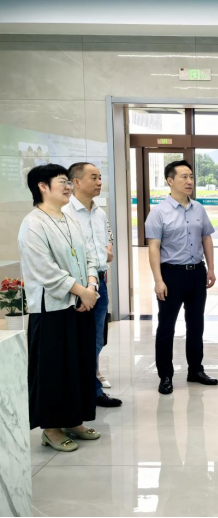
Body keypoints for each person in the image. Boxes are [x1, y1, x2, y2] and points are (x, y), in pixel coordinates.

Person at [18, 163, 103, 452]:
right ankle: (51, 429)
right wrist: (82, 291)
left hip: (81, 303)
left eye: (68, 181)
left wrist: (91, 285)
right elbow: (45, 270)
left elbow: (89, 255)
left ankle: (73, 420)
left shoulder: (69, 219)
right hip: (52, 309)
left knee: (79, 365)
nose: (68, 186)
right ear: (43, 187)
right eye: (62, 181)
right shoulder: (33, 223)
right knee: (53, 370)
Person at [145, 160, 218, 395]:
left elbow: (206, 238)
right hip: (171, 274)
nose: (189, 181)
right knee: (166, 326)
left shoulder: (199, 208)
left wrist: (211, 268)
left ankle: (195, 370)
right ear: (170, 181)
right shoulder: (158, 212)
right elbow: (154, 248)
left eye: (191, 177)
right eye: (184, 177)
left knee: (196, 324)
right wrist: (158, 280)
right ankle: (165, 375)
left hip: (196, 272)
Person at [63, 162, 122, 408]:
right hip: (76, 285)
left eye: (100, 178)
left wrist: (107, 251)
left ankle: (92, 391)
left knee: (96, 339)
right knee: (76, 341)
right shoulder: (65, 212)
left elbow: (106, 237)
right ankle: (77, 392)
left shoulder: (99, 212)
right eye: (93, 177)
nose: (99, 182)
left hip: (99, 281)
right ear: (76, 182)